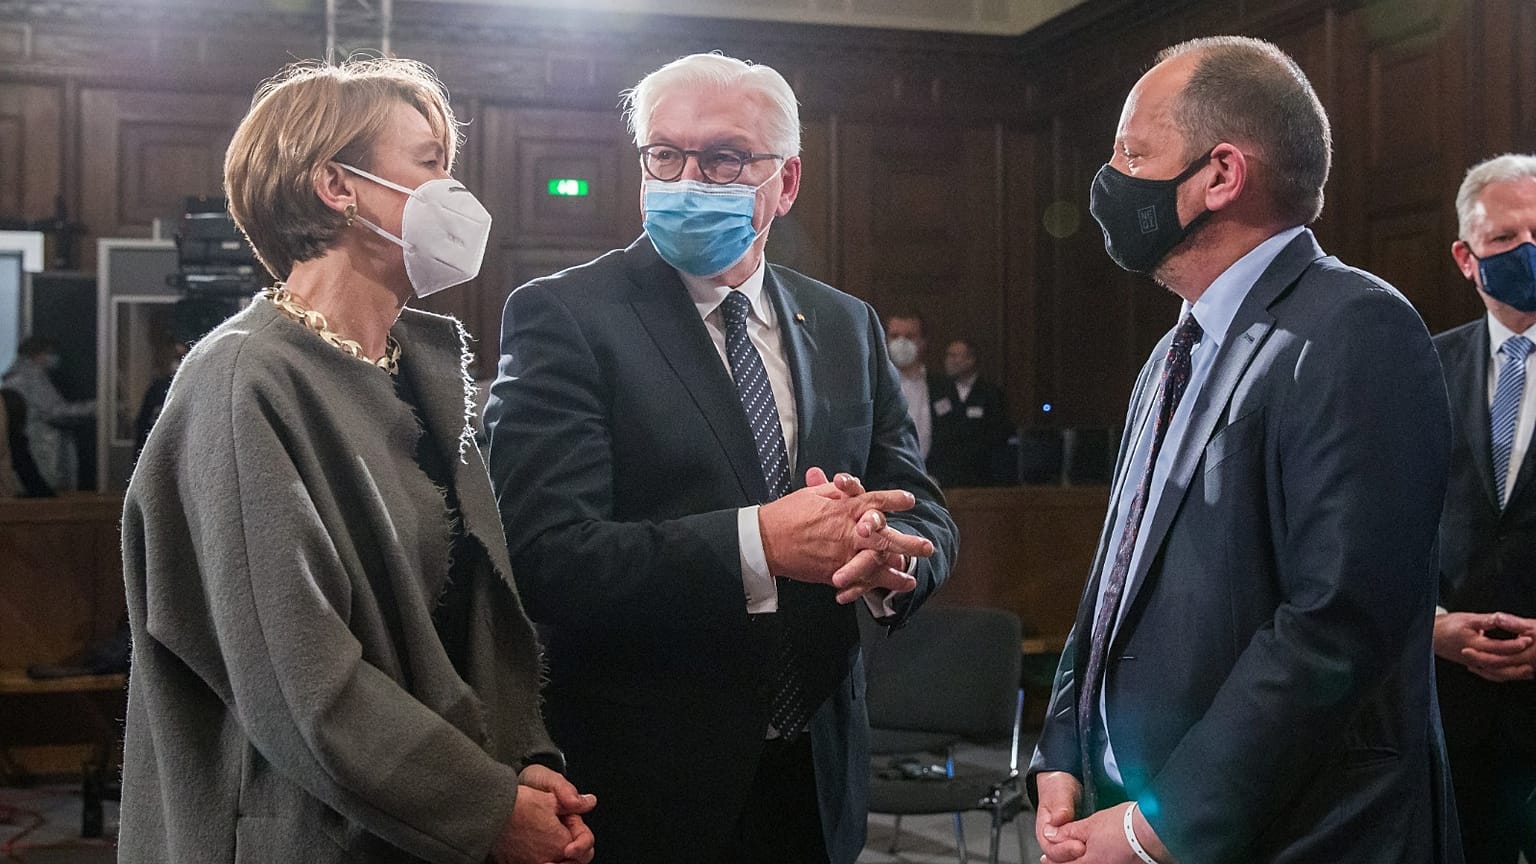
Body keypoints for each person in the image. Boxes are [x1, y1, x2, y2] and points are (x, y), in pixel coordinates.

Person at [483, 52, 957, 864]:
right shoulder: (565, 316)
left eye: (723, 158)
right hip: (646, 783)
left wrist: (891, 557)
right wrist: (760, 545)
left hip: (816, 778)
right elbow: (544, 556)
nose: (686, 178)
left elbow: (923, 505)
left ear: (787, 181)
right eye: (663, 155)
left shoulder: (846, 324)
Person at [119, 58, 595, 864]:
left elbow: (471, 609)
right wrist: (486, 810)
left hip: (417, 828)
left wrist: (521, 760)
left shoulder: (418, 368)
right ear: (338, 186)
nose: (456, 192)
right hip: (299, 836)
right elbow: (301, 682)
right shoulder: (241, 381)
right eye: (430, 162)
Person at [1029, 36, 1461, 864]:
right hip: (1140, 814)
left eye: (1132, 152)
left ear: (1220, 175)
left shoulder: (1356, 330)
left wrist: (1159, 825)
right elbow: (1118, 573)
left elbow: (1335, 623)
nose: (1109, 178)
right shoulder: (1171, 350)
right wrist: (1064, 750)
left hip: (1298, 835)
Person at [1433, 152, 1536, 864]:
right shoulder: (1419, 367)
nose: (1527, 251)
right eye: (1504, 239)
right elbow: (1376, 530)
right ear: (1467, 258)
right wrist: (1431, 628)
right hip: (1448, 709)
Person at [2, 335, 94, 491]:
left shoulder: (17, 376)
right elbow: (55, 411)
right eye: (49, 353)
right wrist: (99, 407)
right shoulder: (31, 378)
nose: (53, 358)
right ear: (37, 353)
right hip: (43, 450)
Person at [927, 338, 1012, 486]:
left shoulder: (990, 393)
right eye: (948, 355)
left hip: (981, 473)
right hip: (946, 474)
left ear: (971, 359)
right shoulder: (939, 391)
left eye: (955, 356)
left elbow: (998, 433)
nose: (949, 361)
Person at [885, 311, 936, 461]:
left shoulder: (943, 388)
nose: (901, 342)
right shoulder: (873, 386)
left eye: (909, 336)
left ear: (923, 341)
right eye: (894, 336)